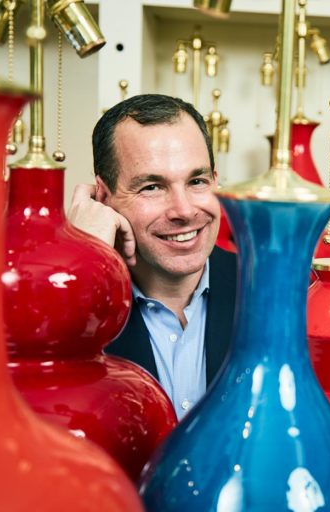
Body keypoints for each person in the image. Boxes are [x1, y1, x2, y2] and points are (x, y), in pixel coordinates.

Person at [68, 94, 236, 421]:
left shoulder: (278, 295)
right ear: (103, 197)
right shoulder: (78, 308)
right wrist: (84, 256)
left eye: (197, 181)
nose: (185, 211)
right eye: (152, 187)